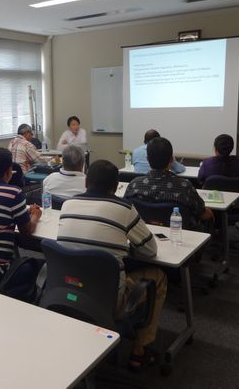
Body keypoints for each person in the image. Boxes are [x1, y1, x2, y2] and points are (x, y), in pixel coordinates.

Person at [57, 159, 167, 371]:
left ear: (86, 181)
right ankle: (138, 351)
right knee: (158, 276)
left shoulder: (68, 204)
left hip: (67, 292)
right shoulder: (124, 208)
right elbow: (149, 250)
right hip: (108, 301)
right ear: (116, 186)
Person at [125, 137, 214, 229]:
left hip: (144, 234)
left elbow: (125, 210)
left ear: (147, 159)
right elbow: (202, 213)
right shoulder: (184, 186)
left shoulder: (134, 185)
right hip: (179, 235)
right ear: (171, 160)